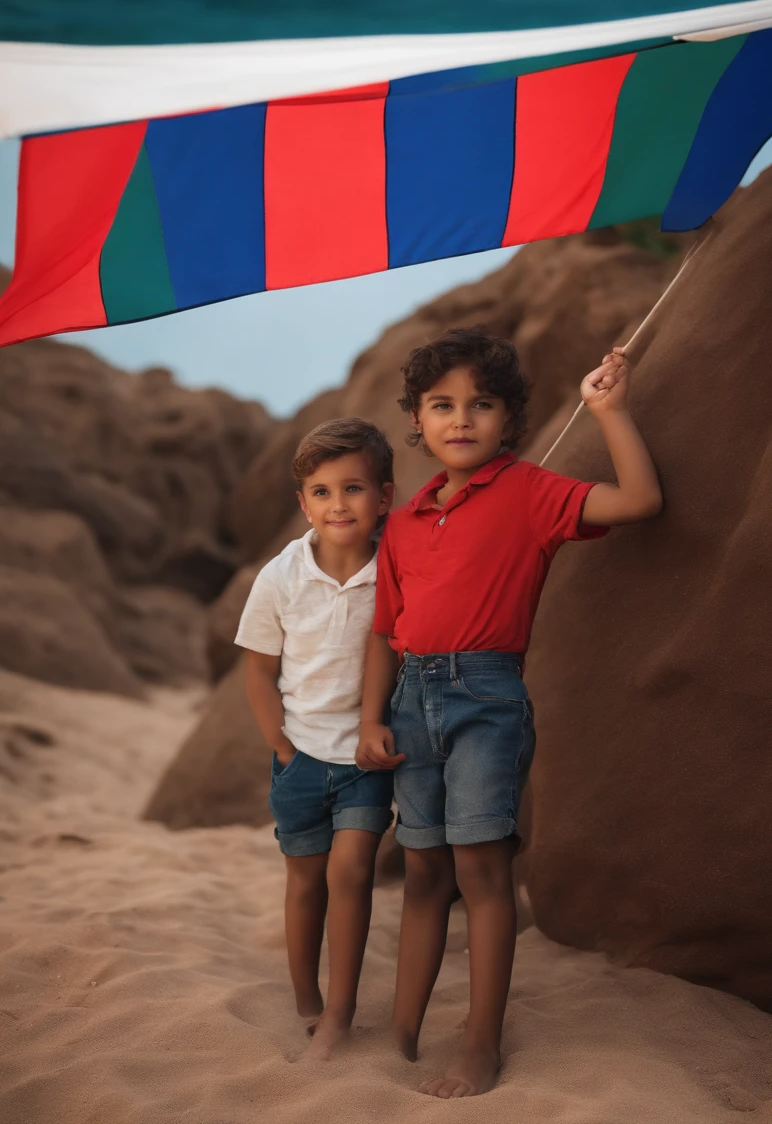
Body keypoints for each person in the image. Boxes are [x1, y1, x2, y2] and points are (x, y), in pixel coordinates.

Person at [355, 327, 662, 1097]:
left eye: (481, 404)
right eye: (442, 405)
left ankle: (480, 1044)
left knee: (481, 871)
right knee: (421, 869)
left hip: (486, 697)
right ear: (417, 421)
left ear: (510, 421)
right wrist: (370, 719)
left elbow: (640, 500)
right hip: (410, 701)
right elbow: (386, 632)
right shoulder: (404, 522)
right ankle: (402, 1030)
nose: (462, 419)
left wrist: (610, 412)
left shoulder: (532, 491)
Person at [236, 417, 396, 1059]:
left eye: (353, 488)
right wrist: (281, 748)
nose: (338, 504)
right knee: (304, 883)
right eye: (323, 492)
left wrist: (373, 725)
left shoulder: (395, 569)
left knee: (353, 873)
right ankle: (306, 997)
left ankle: (340, 1012)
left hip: (364, 755)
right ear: (303, 503)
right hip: (299, 757)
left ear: (384, 496)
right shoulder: (281, 576)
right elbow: (257, 670)